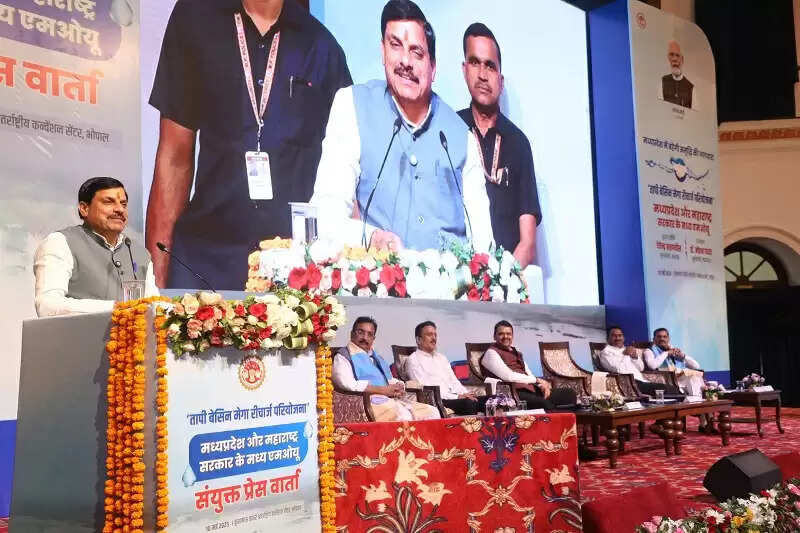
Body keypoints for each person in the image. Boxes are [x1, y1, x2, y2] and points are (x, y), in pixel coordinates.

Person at [147, 0, 352, 290]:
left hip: (289, 272)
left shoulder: (322, 47)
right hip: (205, 261)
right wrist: (157, 283)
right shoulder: (196, 18)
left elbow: (343, 174)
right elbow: (173, 156)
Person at [311, 0, 493, 253]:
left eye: (417, 52)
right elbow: (325, 216)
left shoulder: (461, 137)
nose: (406, 61)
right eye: (395, 45)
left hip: (450, 277)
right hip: (378, 275)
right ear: (383, 52)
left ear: (433, 67)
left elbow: (484, 245)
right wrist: (373, 239)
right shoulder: (351, 106)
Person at [457, 23, 541, 268]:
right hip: (455, 278)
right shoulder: (448, 131)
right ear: (464, 70)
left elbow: (528, 244)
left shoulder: (518, 144)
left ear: (501, 81)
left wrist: (501, 282)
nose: (483, 75)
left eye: (490, 66)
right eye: (475, 62)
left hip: (506, 281)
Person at [33, 177, 158, 317]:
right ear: (84, 209)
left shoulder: (139, 253)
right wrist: (116, 308)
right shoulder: (60, 242)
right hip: (81, 331)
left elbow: (153, 306)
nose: (119, 209)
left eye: (123, 204)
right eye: (108, 202)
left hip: (136, 331)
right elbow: (47, 305)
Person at [333, 316, 439, 422]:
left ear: (373, 339)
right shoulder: (343, 356)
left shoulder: (376, 357)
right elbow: (346, 384)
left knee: (432, 412)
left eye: (370, 334)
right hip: (365, 401)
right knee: (403, 416)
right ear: (352, 334)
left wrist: (398, 386)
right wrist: (382, 390)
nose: (365, 338)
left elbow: (388, 379)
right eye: (360, 332)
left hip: (389, 399)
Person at [481, 320, 576, 409]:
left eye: (508, 334)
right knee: (544, 404)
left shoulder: (516, 351)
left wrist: (540, 385)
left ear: (512, 336)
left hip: (530, 390)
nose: (505, 336)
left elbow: (527, 373)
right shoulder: (491, 353)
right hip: (513, 394)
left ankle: (564, 420)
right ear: (494, 337)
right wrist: (537, 380)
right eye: (501, 334)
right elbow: (508, 376)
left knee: (569, 394)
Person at [405, 321, 489, 415]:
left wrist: (466, 394)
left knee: (492, 400)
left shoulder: (441, 358)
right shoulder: (413, 360)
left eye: (435, 335)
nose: (434, 338)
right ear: (418, 340)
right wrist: (457, 397)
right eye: (429, 335)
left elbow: (454, 381)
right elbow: (426, 389)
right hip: (438, 401)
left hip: (455, 398)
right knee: (469, 403)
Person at [643, 327, 714, 432]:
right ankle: (703, 420)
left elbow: (696, 365)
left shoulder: (674, 350)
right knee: (695, 381)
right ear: (654, 339)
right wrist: (666, 353)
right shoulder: (649, 351)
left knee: (695, 377)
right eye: (659, 337)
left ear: (668, 339)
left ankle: (701, 415)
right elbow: (653, 365)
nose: (662, 339)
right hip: (666, 382)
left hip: (681, 381)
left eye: (665, 337)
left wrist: (683, 356)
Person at [598, 326, 682, 397]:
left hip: (641, 381)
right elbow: (618, 370)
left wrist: (635, 357)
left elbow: (641, 368)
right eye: (614, 336)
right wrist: (626, 355)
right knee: (666, 389)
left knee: (674, 389)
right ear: (607, 338)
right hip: (628, 384)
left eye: (620, 335)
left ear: (623, 337)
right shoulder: (606, 353)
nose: (618, 338)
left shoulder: (626, 349)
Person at [660, 40, 695, 109]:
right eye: (671, 55)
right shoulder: (662, 82)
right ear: (668, 58)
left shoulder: (691, 88)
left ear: (682, 59)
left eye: (677, 55)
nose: (674, 59)